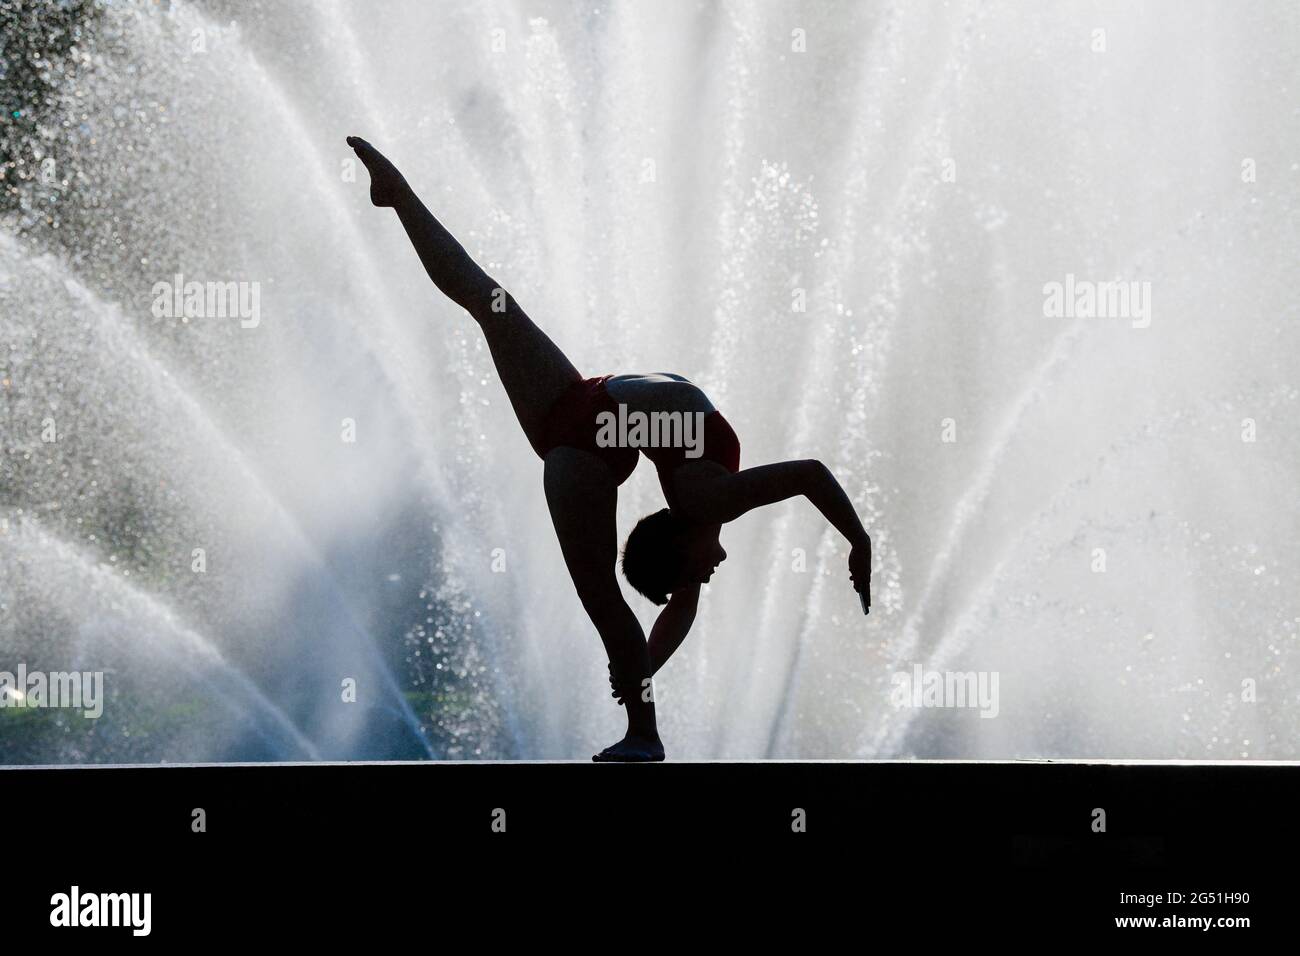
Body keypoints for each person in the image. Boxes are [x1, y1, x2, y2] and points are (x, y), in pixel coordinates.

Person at [347, 136, 872, 762]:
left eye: (695, 572)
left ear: (677, 544)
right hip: (579, 412)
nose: (710, 572)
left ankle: (644, 737)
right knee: (488, 304)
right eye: (699, 574)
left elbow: (686, 601)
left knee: (490, 305)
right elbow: (808, 474)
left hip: (583, 429)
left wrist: (640, 666)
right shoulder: (710, 499)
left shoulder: (706, 501)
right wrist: (858, 540)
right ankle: (398, 196)